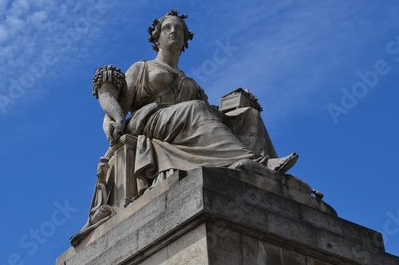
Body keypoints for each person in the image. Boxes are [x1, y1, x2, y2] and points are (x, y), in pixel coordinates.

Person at [93, 10, 297, 193]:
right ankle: (256, 163)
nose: (173, 31)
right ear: (157, 38)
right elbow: (118, 106)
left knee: (249, 115)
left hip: (187, 119)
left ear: (185, 39)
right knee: (196, 108)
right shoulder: (142, 68)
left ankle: (266, 179)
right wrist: (112, 121)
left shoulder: (192, 83)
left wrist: (238, 105)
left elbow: (210, 117)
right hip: (150, 120)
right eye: (167, 28)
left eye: (178, 29)